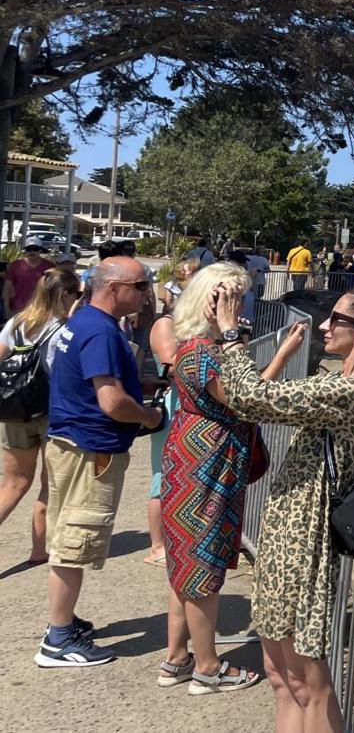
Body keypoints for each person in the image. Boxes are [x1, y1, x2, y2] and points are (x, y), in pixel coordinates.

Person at [220, 285, 354, 733]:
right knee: (280, 677)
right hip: (282, 534)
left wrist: (232, 334)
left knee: (310, 684)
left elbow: (251, 399)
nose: (324, 326)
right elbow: (257, 398)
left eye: (336, 319)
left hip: (307, 541)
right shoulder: (333, 382)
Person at [159, 263, 303, 694]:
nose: (242, 306)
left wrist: (237, 338)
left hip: (190, 454)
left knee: (185, 562)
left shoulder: (193, 346)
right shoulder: (205, 352)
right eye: (236, 298)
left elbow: (242, 391)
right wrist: (280, 356)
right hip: (208, 462)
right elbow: (247, 401)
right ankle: (207, 667)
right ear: (214, 301)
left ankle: (176, 658)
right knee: (202, 562)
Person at [37, 257, 165, 668]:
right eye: (142, 286)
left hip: (68, 443)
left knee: (66, 535)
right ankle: (58, 639)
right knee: (75, 543)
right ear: (115, 288)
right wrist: (148, 415)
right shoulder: (101, 332)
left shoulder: (81, 321)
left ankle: (64, 622)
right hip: (90, 449)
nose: (147, 294)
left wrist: (137, 385)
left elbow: (90, 383)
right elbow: (111, 402)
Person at [0, 268, 81, 563]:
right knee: (50, 486)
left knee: (13, 483)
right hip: (51, 411)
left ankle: (38, 549)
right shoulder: (65, 329)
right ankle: (38, 550)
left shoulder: (16, 323)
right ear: (65, 295)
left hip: (15, 410)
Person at [143, 258, 200, 567]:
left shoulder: (189, 327)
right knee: (160, 475)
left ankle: (173, 538)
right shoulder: (166, 325)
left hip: (187, 403)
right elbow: (172, 364)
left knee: (178, 472)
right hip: (171, 402)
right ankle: (156, 545)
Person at [4, 242, 56, 316]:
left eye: (35, 249)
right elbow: (6, 288)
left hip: (41, 310)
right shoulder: (15, 265)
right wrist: (7, 310)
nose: (32, 252)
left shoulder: (49, 266)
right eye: (29, 249)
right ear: (25, 250)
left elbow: (55, 288)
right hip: (17, 309)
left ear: (40, 250)